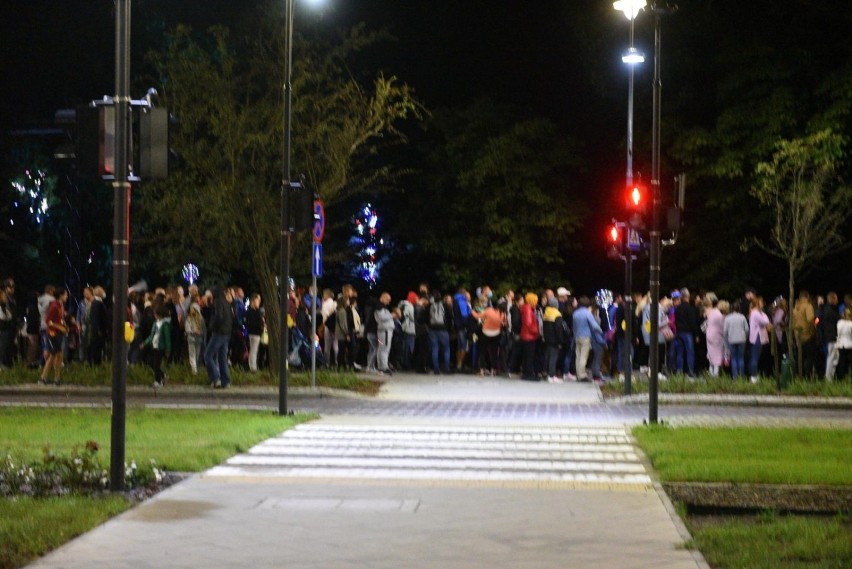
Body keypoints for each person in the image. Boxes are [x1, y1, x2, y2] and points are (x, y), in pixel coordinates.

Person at [205, 287, 233, 388]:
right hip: (227, 333)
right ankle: (226, 381)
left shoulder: (217, 302)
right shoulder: (226, 302)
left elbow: (218, 316)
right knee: (222, 358)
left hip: (219, 333)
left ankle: (215, 378)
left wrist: (211, 326)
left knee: (207, 355)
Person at [40, 288, 68, 385]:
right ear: (60, 295)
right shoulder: (54, 305)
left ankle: (56, 378)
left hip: (58, 334)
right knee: (53, 355)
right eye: (65, 295)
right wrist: (60, 328)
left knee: (59, 355)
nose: (67, 297)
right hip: (53, 334)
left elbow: (58, 319)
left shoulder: (60, 305)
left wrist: (64, 325)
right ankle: (44, 378)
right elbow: (48, 321)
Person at [572, 296, 602, 382]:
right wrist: (600, 331)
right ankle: (582, 375)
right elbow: (594, 325)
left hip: (577, 336)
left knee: (578, 356)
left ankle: (578, 374)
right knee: (583, 357)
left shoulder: (575, 313)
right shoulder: (587, 313)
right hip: (585, 337)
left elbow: (574, 326)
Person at [673, 288, 700, 377]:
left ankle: (679, 371)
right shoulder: (690, 309)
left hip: (679, 332)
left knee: (680, 353)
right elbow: (693, 323)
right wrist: (696, 334)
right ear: (688, 296)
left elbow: (676, 321)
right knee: (690, 352)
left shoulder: (677, 309)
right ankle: (690, 371)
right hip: (688, 333)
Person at [144, 304, 171, 388]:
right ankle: (162, 376)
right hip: (155, 346)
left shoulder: (165, 324)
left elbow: (167, 338)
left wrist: (168, 349)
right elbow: (152, 335)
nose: (154, 315)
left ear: (160, 314)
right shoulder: (155, 323)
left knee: (156, 364)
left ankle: (158, 381)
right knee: (151, 362)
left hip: (160, 347)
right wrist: (145, 343)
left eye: (155, 314)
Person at [792, 290, 817, 376]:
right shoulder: (808, 306)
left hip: (798, 337)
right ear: (807, 297)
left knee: (799, 358)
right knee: (809, 358)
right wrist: (813, 331)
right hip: (808, 336)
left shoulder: (795, 308)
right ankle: (807, 377)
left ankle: (798, 376)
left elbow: (793, 323)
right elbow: (810, 320)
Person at [748, 296, 771, 383]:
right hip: (757, 337)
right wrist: (765, 318)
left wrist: (765, 318)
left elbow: (766, 319)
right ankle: (753, 376)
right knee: (755, 357)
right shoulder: (755, 313)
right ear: (757, 303)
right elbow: (765, 321)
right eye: (761, 302)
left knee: (756, 357)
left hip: (759, 336)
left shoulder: (759, 313)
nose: (763, 304)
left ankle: (754, 375)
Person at [427, 290, 451, 375]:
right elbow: (450, 317)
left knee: (434, 349)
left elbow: (427, 317)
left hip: (432, 330)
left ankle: (436, 370)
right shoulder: (445, 305)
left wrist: (429, 326)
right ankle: (447, 369)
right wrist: (448, 327)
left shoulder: (429, 306)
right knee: (446, 349)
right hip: (443, 330)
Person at [723, 300, 749, 380]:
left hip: (731, 339)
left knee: (733, 358)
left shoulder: (727, 318)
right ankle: (741, 376)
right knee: (741, 358)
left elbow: (725, 331)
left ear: (731, 309)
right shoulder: (742, 317)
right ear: (739, 309)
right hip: (741, 339)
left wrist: (726, 341)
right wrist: (746, 337)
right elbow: (747, 329)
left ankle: (735, 377)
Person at [541, 296, 564, 383]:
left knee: (547, 356)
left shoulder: (546, 312)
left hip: (547, 338)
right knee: (553, 357)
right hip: (554, 340)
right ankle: (551, 375)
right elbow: (558, 329)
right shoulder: (557, 314)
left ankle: (546, 372)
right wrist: (560, 341)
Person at [519, 292, 540, 381]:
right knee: (529, 356)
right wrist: (536, 331)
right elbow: (528, 323)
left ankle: (525, 373)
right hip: (529, 336)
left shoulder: (525, 308)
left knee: (526, 356)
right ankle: (529, 374)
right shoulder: (528, 309)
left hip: (525, 335)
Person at [703, 297, 725, 377]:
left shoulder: (710, 313)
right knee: (717, 356)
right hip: (717, 336)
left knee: (711, 354)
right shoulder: (718, 314)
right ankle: (715, 375)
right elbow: (722, 327)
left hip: (709, 335)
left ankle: (711, 373)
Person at [184, 294, 205, 374]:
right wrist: (194, 331)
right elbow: (187, 329)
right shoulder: (190, 318)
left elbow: (203, 329)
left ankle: (195, 370)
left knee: (196, 354)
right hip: (192, 338)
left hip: (197, 338)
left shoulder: (200, 319)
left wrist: (200, 332)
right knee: (193, 355)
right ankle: (194, 370)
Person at [822, 292, 840, 380]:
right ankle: (828, 378)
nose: (837, 301)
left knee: (833, 356)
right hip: (832, 337)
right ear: (832, 299)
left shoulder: (827, 309)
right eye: (836, 299)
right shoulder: (830, 311)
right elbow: (836, 321)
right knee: (832, 357)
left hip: (830, 336)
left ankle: (830, 377)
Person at [375, 292, 394, 374]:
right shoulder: (380, 307)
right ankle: (384, 367)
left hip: (382, 332)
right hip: (385, 332)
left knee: (381, 348)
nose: (388, 302)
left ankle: (381, 366)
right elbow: (382, 318)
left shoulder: (380, 307)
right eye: (388, 299)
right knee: (385, 349)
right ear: (382, 298)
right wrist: (392, 315)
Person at [245, 294, 264, 372]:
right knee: (254, 351)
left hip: (253, 333)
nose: (259, 302)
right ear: (253, 301)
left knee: (253, 350)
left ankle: (252, 366)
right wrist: (261, 323)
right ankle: (253, 367)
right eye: (257, 300)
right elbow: (253, 322)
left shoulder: (250, 311)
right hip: (255, 333)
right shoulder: (254, 312)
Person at [835, 308, 852, 379]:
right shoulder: (850, 324)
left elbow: (838, 333)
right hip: (849, 344)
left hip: (840, 344)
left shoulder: (839, 323)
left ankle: (840, 377)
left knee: (841, 360)